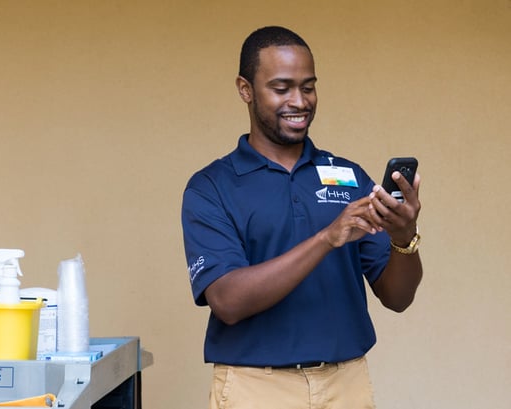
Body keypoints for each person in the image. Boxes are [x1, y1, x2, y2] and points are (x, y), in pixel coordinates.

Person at [181, 26, 423, 409]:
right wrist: (327, 238)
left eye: (308, 87)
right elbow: (227, 300)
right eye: (281, 88)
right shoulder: (211, 187)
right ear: (245, 89)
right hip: (255, 388)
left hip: (346, 384)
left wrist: (404, 236)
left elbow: (398, 297)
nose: (299, 100)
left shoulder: (349, 177)